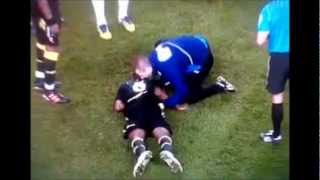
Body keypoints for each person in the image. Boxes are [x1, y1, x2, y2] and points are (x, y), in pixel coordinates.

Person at [114, 56, 183, 177]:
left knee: (136, 132)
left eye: (149, 67)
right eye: (146, 69)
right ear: (138, 71)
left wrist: (123, 103)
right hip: (152, 112)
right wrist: (173, 103)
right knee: (160, 129)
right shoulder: (151, 83)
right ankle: (167, 151)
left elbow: (118, 106)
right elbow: (163, 97)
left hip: (136, 114)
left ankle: (141, 153)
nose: (150, 70)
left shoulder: (124, 87)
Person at [148, 34, 236, 110]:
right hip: (197, 40)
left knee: (190, 97)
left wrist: (168, 103)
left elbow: (182, 91)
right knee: (170, 81)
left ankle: (219, 86)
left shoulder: (170, 70)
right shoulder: (151, 58)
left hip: (204, 59)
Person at [256, 0, 289, 143]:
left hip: (279, 59)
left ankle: (276, 135)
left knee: (277, 98)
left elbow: (260, 40)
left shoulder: (269, 10)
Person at [31, 0, 70, 104]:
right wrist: (51, 21)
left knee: (41, 42)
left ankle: (40, 81)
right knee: (52, 48)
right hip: (46, 14)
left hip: (39, 12)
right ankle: (49, 90)